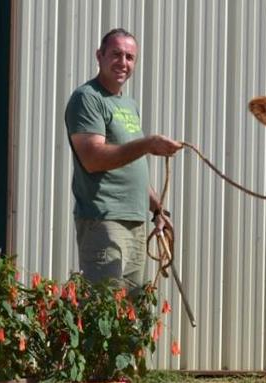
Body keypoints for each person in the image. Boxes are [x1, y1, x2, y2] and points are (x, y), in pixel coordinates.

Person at [65, 28, 182, 293]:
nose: (123, 62)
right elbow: (93, 158)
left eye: (130, 57)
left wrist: (157, 208)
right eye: (116, 54)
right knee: (103, 310)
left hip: (136, 220)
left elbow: (130, 165)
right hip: (105, 220)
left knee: (130, 317)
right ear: (100, 56)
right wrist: (148, 144)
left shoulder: (128, 105)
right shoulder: (87, 99)